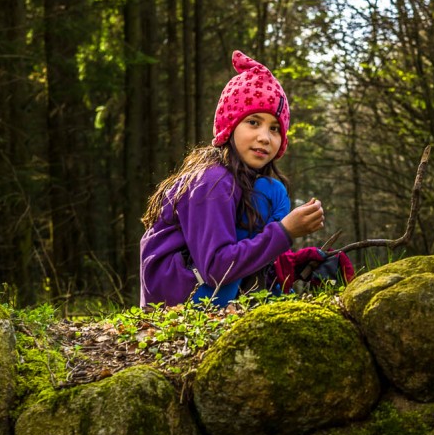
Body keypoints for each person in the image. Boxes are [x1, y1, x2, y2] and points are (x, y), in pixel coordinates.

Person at [139, 50, 326, 307]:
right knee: (270, 195)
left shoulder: (244, 181)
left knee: (272, 191)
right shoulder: (213, 181)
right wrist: (286, 231)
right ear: (230, 125)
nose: (265, 137)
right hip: (177, 299)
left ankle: (268, 290)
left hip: (200, 280)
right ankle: (257, 298)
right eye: (253, 122)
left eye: (274, 128)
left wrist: (291, 261)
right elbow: (217, 267)